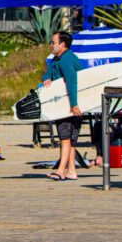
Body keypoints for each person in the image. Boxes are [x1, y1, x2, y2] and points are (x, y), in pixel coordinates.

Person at [43, 31, 83, 181]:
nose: (51, 45)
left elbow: (73, 82)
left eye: (53, 42)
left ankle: (60, 171)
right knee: (69, 140)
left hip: (71, 106)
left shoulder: (67, 59)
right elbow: (48, 73)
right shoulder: (56, 59)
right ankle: (71, 171)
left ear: (63, 44)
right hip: (62, 105)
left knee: (65, 138)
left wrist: (74, 105)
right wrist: (47, 79)